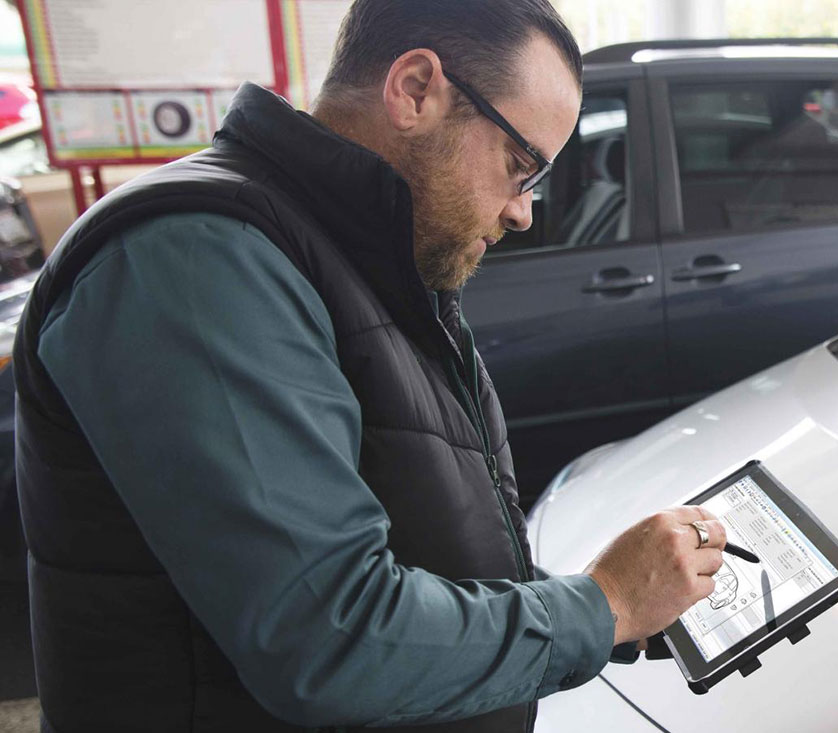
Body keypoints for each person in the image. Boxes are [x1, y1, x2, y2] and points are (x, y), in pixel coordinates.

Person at [12, 1, 727, 730]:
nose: (524, 212)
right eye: (521, 167)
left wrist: (628, 609)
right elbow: (331, 636)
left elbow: (432, 553)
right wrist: (601, 607)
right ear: (415, 89)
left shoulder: (371, 261)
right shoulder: (193, 257)